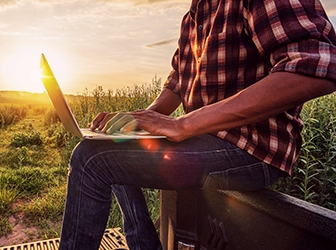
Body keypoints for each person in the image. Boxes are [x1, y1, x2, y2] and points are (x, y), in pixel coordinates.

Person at [58, 0, 336, 249]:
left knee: (91, 160)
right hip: (206, 139)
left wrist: (184, 124)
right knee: (111, 142)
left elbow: (315, 69)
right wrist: (139, 120)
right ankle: (143, 243)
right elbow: (177, 83)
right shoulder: (194, 14)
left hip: (252, 148)